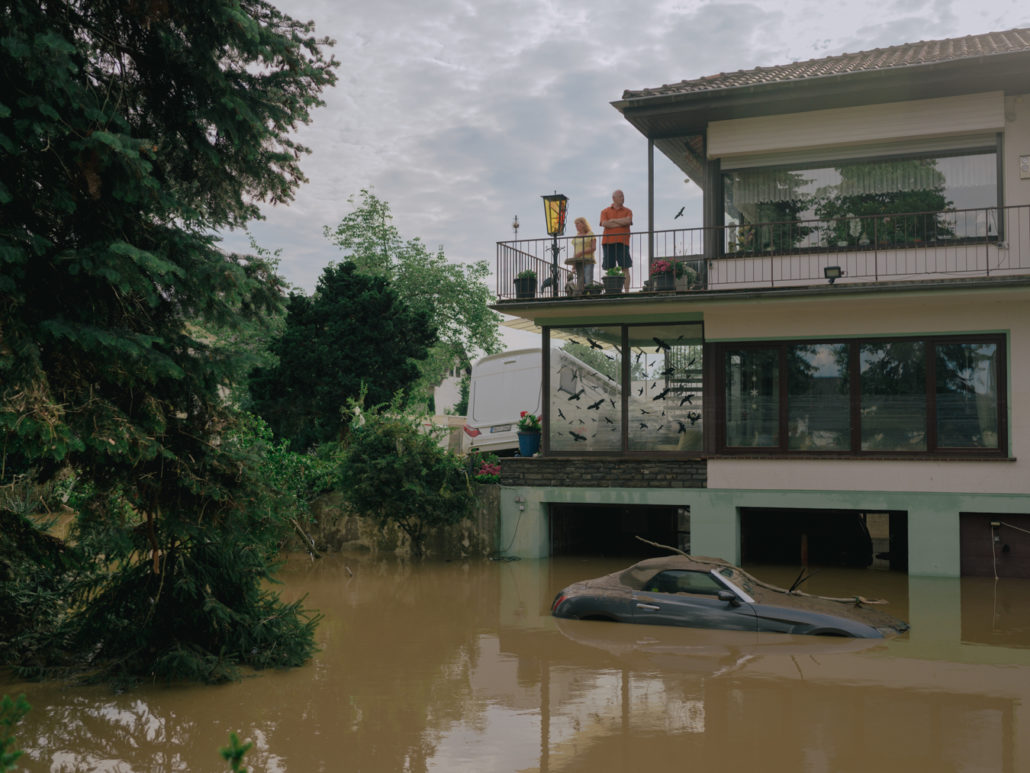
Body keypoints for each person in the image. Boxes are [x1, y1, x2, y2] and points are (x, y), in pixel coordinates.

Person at [600, 189, 633, 270]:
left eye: (623, 196)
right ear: (614, 198)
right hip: (608, 242)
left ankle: (625, 283)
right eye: (621, 196)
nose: (623, 198)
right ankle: (611, 283)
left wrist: (613, 220)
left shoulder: (628, 211)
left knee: (625, 268)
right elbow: (604, 223)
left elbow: (628, 221)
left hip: (623, 242)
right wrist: (622, 222)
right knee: (609, 269)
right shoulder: (605, 211)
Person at [566, 216, 597, 294]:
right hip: (579, 262)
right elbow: (575, 252)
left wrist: (581, 252)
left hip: (588, 261)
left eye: (578, 224)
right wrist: (573, 265)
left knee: (588, 279)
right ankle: (581, 296)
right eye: (575, 225)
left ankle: (589, 296)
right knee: (580, 280)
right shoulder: (576, 237)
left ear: (583, 224)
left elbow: (593, 248)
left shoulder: (590, 234)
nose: (576, 226)